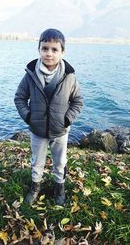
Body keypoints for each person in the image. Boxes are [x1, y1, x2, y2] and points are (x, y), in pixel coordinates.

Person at [14, 28, 83, 205]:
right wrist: (28, 117)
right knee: (37, 162)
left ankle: (59, 187)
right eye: (45, 48)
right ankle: (35, 186)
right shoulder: (30, 74)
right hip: (37, 130)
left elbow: (77, 101)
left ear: (62, 52)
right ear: (39, 49)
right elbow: (20, 98)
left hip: (61, 131)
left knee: (60, 162)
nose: (49, 54)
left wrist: (67, 120)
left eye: (54, 49)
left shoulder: (70, 77)